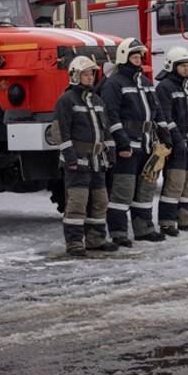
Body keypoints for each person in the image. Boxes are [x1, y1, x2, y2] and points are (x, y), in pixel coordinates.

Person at [99, 38, 168, 245]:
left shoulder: (145, 83)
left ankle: (144, 229)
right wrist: (122, 143)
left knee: (145, 190)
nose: (138, 60)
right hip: (128, 147)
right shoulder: (114, 83)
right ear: (124, 58)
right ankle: (119, 233)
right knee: (123, 191)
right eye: (134, 56)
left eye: (140, 56)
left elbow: (157, 111)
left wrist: (166, 136)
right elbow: (111, 115)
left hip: (147, 146)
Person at [53, 55, 118, 256]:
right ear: (74, 76)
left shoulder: (97, 100)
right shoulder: (66, 100)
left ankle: (96, 239)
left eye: (91, 74)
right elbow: (60, 131)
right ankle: (74, 243)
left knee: (100, 201)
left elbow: (105, 129)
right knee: (77, 203)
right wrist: (69, 157)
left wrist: (111, 151)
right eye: (86, 74)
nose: (90, 78)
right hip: (77, 162)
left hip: (97, 161)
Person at [154, 47, 188, 235]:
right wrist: (176, 141)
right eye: (182, 66)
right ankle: (167, 222)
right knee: (175, 183)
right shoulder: (165, 87)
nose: (186, 69)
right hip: (178, 144)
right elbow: (166, 117)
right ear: (172, 66)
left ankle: (186, 219)